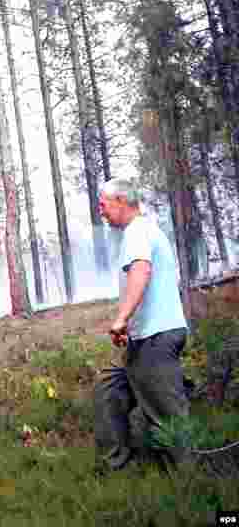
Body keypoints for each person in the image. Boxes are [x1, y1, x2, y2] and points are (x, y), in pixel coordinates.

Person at [94, 177, 190, 471]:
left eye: (103, 204)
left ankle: (188, 479)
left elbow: (141, 271)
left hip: (157, 338)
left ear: (122, 201)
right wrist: (130, 329)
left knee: (167, 415)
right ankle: (120, 465)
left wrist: (121, 319)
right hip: (146, 337)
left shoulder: (137, 230)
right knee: (110, 390)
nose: (100, 210)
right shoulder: (141, 231)